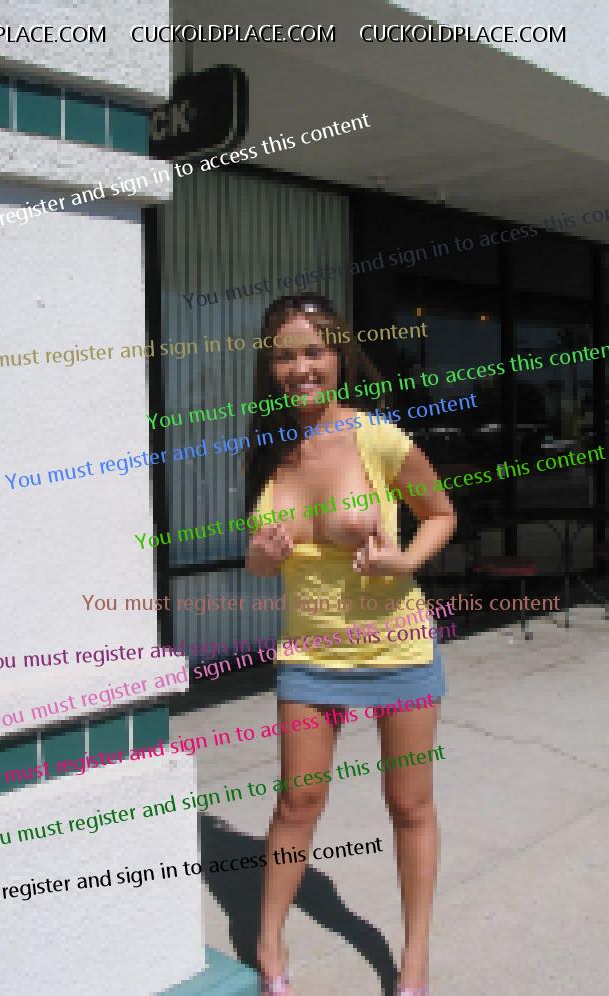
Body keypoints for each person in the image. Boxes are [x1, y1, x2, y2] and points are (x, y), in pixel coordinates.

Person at [244, 294, 456, 996]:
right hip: (310, 657)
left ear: (338, 358)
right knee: (297, 802)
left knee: (410, 805)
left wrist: (405, 560)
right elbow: (259, 558)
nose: (301, 368)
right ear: (270, 366)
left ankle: (415, 958)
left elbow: (441, 514)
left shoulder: (379, 440)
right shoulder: (266, 448)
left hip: (397, 651)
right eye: (285, 355)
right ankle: (269, 943)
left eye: (314, 351)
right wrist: (263, 558)